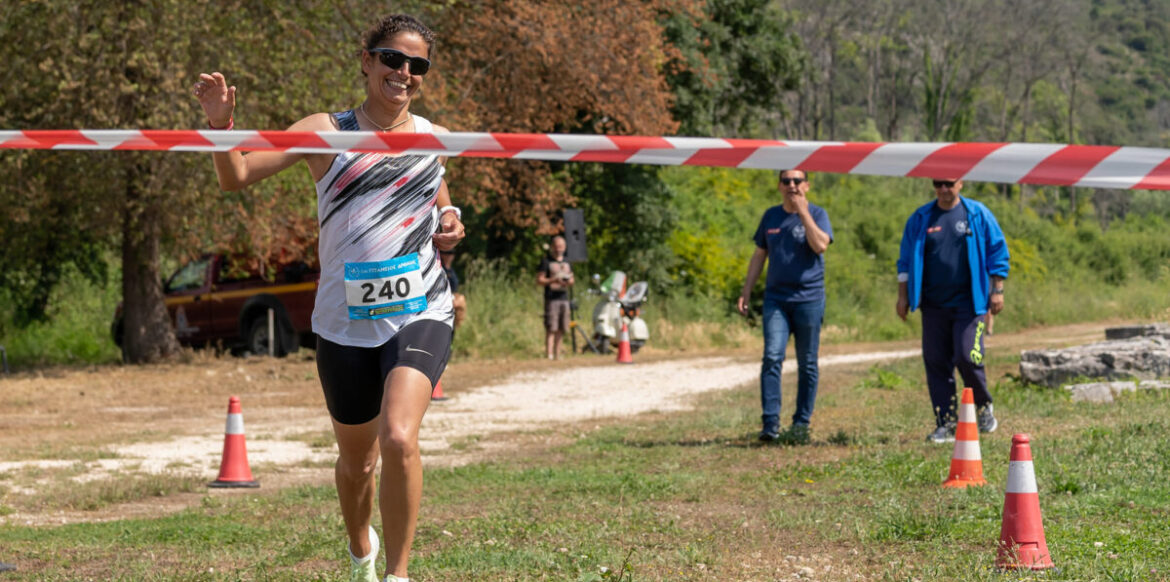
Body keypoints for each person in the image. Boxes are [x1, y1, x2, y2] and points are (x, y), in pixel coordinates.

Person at [193, 14, 464, 582]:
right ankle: (361, 553)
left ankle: (398, 575)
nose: (404, 72)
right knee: (357, 463)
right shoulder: (327, 130)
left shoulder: (431, 135)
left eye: (417, 65)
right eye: (392, 58)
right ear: (367, 60)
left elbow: (435, 180)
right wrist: (222, 125)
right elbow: (235, 176)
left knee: (399, 437)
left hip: (420, 308)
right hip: (344, 323)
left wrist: (449, 214)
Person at [896, 178, 1009, 444]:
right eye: (938, 184)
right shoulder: (921, 218)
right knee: (936, 361)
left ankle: (983, 406)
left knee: (968, 355)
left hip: (971, 304)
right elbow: (905, 261)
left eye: (949, 183)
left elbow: (997, 251)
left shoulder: (977, 214)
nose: (944, 189)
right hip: (933, 305)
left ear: (961, 183)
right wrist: (902, 297)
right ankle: (945, 422)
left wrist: (997, 289)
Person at [737, 170, 833, 444]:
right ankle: (770, 423)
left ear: (807, 185)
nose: (792, 185)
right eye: (786, 181)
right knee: (772, 356)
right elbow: (759, 255)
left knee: (807, 363)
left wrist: (803, 212)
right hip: (776, 300)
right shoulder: (771, 216)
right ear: (779, 186)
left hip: (809, 299)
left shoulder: (818, 214)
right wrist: (746, 291)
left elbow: (821, 246)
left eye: (797, 181)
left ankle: (801, 423)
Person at [536, 235, 574, 360]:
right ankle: (549, 354)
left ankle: (558, 353)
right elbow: (539, 280)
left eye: (561, 246)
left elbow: (572, 279)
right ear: (552, 247)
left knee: (561, 327)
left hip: (564, 297)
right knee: (551, 327)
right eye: (557, 246)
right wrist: (553, 280)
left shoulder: (567, 261)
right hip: (551, 298)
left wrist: (567, 282)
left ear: (565, 247)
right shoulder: (546, 261)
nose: (559, 249)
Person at [439, 250, 467, 329]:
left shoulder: (451, 270)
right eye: (447, 253)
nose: (450, 256)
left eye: (452, 253)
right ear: (441, 254)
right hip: (444, 300)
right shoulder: (440, 269)